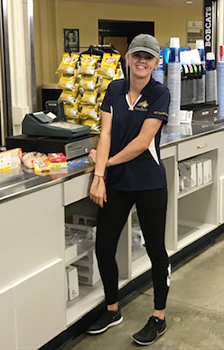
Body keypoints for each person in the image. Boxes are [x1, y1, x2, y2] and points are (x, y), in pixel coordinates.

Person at [87, 34, 171, 346]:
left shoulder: (159, 93)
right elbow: (105, 132)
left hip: (149, 183)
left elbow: (142, 143)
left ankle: (158, 316)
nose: (141, 61)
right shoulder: (114, 89)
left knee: (155, 249)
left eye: (148, 57)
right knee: (104, 246)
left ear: (156, 62)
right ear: (128, 57)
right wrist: (99, 177)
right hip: (118, 183)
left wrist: (104, 164)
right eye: (137, 55)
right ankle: (112, 308)